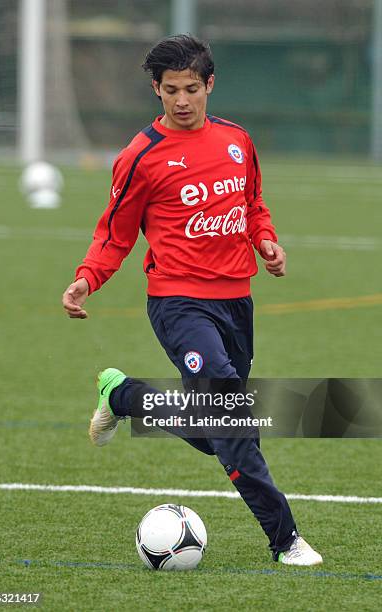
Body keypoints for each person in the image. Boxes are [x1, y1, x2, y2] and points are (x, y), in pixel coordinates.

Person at [62, 35, 322, 566]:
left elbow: (252, 204)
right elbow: (115, 233)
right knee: (231, 421)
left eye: (191, 89)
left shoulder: (237, 140)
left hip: (238, 302)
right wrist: (88, 277)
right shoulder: (140, 157)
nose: (182, 101)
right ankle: (286, 540)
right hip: (179, 303)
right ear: (156, 90)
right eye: (170, 91)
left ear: (210, 85)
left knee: (217, 430)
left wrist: (265, 240)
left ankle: (125, 397)